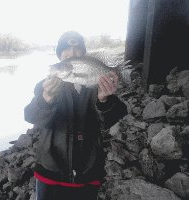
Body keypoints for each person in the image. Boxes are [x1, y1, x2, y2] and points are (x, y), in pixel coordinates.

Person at [24, 31, 127, 200]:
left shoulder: (96, 85)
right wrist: (46, 99)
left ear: (84, 55)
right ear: (59, 56)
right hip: (50, 171)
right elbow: (30, 116)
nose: (71, 53)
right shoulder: (45, 86)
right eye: (66, 50)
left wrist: (104, 100)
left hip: (88, 173)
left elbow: (114, 118)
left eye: (77, 49)